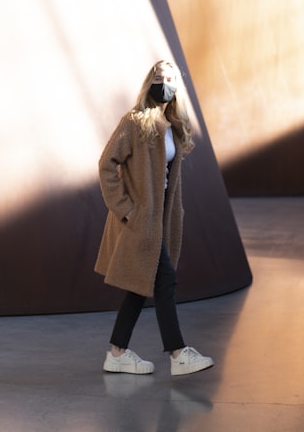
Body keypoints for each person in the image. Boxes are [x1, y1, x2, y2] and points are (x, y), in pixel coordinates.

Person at [95, 60, 214, 377]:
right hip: (140, 218)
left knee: (139, 283)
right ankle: (178, 353)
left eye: (171, 78)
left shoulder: (173, 124)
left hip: (161, 215)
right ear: (150, 83)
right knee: (165, 280)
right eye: (159, 78)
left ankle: (116, 353)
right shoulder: (134, 122)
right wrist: (126, 208)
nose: (165, 83)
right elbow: (107, 164)